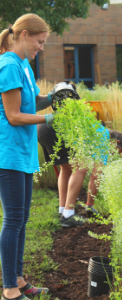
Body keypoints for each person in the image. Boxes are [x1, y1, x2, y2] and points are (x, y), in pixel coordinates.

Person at [0, 14, 54, 300]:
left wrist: (55, 96)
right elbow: (14, 115)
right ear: (23, 35)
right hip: (7, 153)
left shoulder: (24, 65)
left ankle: (19, 280)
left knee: (22, 218)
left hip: (23, 152)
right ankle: (9, 290)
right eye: (39, 41)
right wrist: (49, 118)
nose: (41, 48)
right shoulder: (8, 65)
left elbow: (33, 100)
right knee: (13, 219)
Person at [38, 121, 122, 227]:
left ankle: (63, 211)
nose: (111, 155)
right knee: (81, 166)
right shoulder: (103, 136)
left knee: (66, 169)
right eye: (116, 152)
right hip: (55, 130)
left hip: (44, 128)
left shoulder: (97, 129)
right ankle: (68, 215)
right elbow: (96, 176)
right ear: (115, 142)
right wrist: (89, 205)